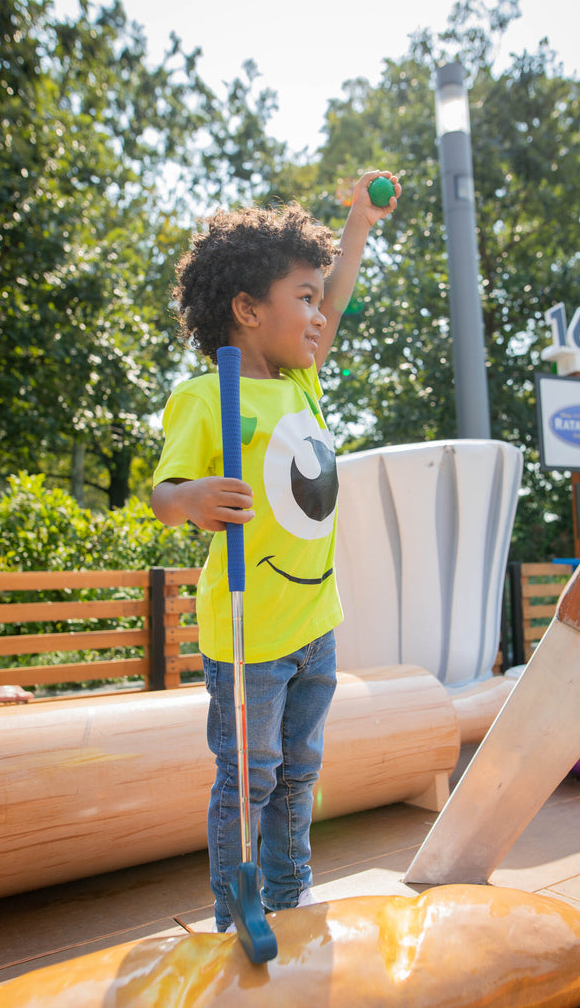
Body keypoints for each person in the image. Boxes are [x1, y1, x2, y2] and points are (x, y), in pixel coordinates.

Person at [150, 170, 400, 931]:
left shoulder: (302, 382)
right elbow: (165, 495)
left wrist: (357, 221)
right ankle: (240, 906)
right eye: (301, 299)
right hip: (249, 631)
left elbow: (339, 290)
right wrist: (193, 500)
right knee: (249, 778)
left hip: (313, 620)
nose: (319, 315)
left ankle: (293, 895)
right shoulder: (206, 397)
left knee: (301, 775)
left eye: (319, 301)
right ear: (248, 309)